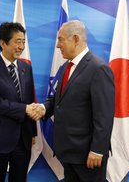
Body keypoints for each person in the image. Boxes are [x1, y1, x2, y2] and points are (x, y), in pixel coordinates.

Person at [37, 20, 115, 182]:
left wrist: (97, 150)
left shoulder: (98, 68)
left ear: (76, 39)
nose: (58, 45)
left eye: (61, 39)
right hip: (68, 153)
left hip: (88, 155)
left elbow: (104, 115)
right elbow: (59, 100)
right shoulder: (66, 67)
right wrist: (43, 109)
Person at [0, 22, 38, 182]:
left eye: (24, 41)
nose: (22, 46)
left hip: (22, 139)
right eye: (18, 41)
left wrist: (32, 132)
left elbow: (30, 99)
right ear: (2, 43)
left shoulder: (26, 67)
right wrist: (25, 109)